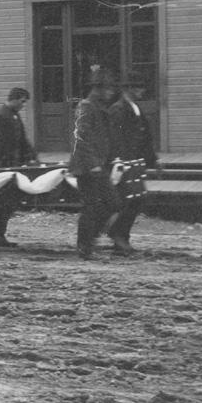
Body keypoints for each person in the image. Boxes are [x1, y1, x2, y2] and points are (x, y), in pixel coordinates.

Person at [69, 68, 122, 259]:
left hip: (98, 164)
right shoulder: (86, 107)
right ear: (97, 89)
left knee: (111, 204)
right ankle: (85, 247)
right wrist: (93, 164)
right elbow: (81, 138)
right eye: (107, 88)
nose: (111, 92)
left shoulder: (99, 107)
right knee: (93, 207)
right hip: (87, 167)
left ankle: (89, 243)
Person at [107, 71, 158, 253]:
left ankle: (121, 236)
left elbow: (144, 137)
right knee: (128, 201)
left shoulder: (135, 108)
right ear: (127, 89)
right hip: (124, 163)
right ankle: (118, 235)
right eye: (137, 88)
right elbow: (116, 138)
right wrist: (120, 161)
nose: (141, 92)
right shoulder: (118, 109)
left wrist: (152, 160)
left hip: (135, 162)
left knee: (137, 200)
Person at [0, 87, 38, 248]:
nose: (23, 105)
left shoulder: (13, 116)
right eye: (22, 101)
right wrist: (0, 168)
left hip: (14, 165)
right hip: (4, 167)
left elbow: (22, 139)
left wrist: (31, 156)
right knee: (4, 202)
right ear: (14, 99)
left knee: (10, 202)